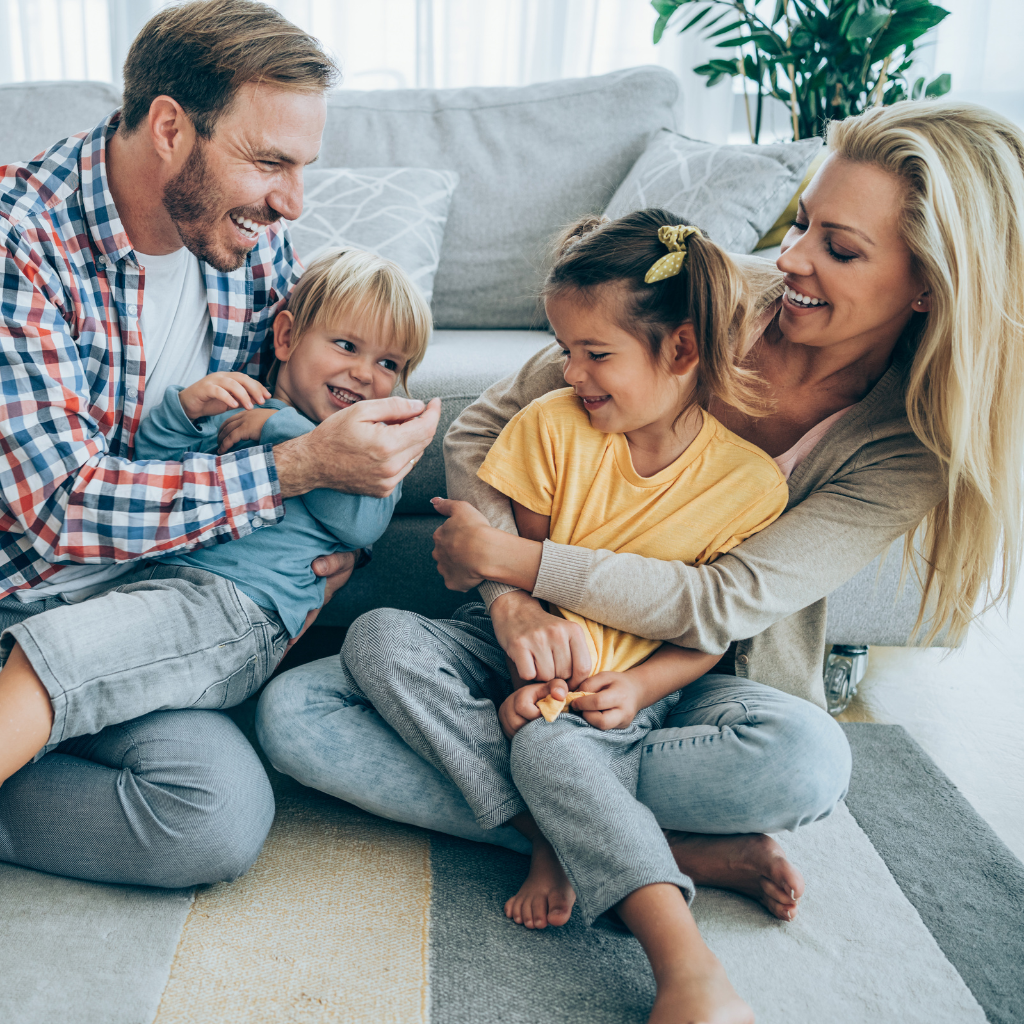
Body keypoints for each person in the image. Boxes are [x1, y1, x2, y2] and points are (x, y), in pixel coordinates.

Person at [259, 97, 1024, 1020]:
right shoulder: (696, 293)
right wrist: (511, 601)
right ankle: (651, 847)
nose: (792, 261)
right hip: (529, 651)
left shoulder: (905, 445)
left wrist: (524, 564)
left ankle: (572, 821)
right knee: (298, 713)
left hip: (686, 679)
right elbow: (490, 427)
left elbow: (724, 604)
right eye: (803, 225)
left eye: (840, 248)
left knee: (807, 761)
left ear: (928, 285)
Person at [0, 0, 439, 888]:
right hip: (29, 598)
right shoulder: (23, 244)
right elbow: (55, 510)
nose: (291, 201)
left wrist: (320, 518)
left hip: (167, 598)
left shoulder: (245, 241)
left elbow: (287, 422)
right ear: (169, 127)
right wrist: (293, 473)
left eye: (300, 167)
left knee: (213, 815)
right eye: (270, 161)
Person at [312, 212, 791, 1023]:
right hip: (501, 648)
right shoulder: (549, 428)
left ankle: (686, 965)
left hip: (622, 687)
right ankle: (556, 833)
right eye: (565, 349)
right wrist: (518, 641)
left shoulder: (749, 486)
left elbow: (706, 632)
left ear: (680, 350)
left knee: (553, 741)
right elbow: (518, 585)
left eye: (594, 353)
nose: (570, 371)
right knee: (377, 636)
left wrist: (637, 690)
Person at [0, 247, 431, 791]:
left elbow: (359, 524)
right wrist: (182, 413)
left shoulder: (367, 449)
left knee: (67, 652)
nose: (364, 373)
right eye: (347, 345)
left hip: (232, 615)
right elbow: (149, 467)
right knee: (68, 649)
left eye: (389, 364)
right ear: (286, 337)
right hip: (150, 584)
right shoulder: (237, 406)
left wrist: (278, 430)